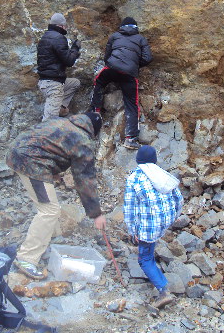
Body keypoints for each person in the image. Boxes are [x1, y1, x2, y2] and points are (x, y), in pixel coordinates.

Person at [6, 113, 106, 279]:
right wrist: (96, 213)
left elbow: (44, 145)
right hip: (31, 162)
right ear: (93, 130)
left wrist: (52, 170)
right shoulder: (82, 140)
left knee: (49, 204)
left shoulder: (61, 122)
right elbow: (84, 178)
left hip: (16, 151)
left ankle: (49, 239)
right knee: (49, 210)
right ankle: (26, 258)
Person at [124, 145, 183, 309]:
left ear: (138, 160)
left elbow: (130, 208)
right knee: (149, 250)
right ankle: (163, 283)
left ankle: (163, 291)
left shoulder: (134, 178)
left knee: (144, 259)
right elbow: (178, 198)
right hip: (164, 221)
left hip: (149, 225)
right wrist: (174, 216)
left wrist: (132, 231)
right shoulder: (162, 175)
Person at [89, 16, 152, 149]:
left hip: (112, 68)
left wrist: (112, 63)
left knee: (98, 81)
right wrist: (134, 64)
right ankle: (131, 139)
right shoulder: (141, 38)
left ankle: (95, 111)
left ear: (122, 27)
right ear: (136, 28)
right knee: (132, 104)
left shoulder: (115, 36)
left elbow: (107, 55)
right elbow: (147, 58)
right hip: (129, 74)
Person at [37, 13, 81, 121]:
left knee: (75, 83)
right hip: (53, 85)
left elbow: (59, 56)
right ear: (60, 25)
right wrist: (75, 49)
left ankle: (60, 107)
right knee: (49, 121)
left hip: (44, 82)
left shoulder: (44, 37)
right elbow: (69, 61)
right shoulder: (59, 38)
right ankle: (46, 129)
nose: (65, 28)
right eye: (65, 26)